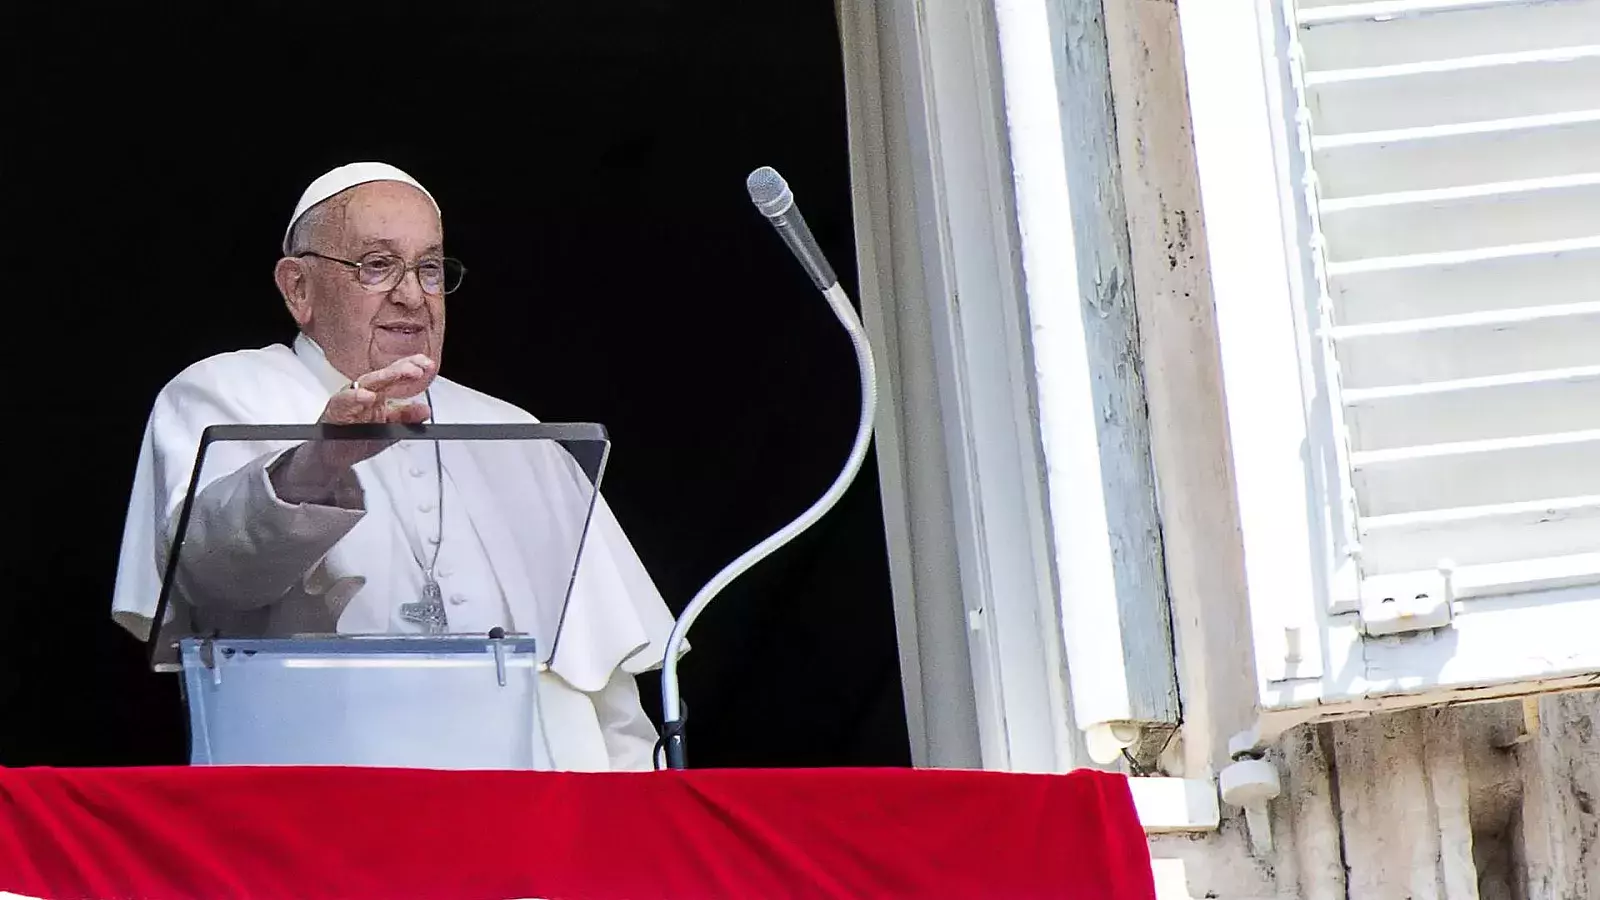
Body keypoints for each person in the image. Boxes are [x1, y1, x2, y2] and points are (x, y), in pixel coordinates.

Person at [111, 162, 677, 771]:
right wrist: (317, 462)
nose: (412, 295)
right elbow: (209, 571)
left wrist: (636, 814)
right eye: (376, 265)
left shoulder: (520, 435)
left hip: (532, 818)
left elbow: (608, 688)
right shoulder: (224, 392)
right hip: (323, 801)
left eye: (429, 268)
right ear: (298, 288)